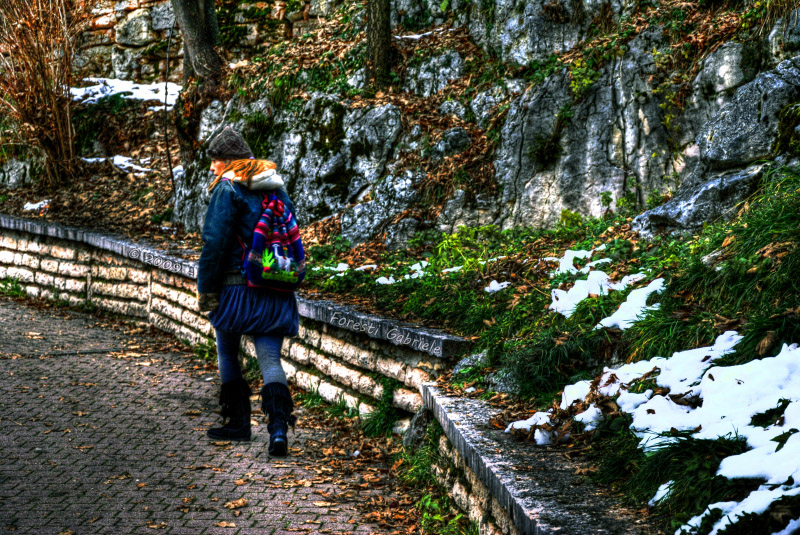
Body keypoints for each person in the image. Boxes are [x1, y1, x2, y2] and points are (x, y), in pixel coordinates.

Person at [196, 126, 299, 457]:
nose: (212, 168)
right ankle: (279, 430)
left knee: (227, 350)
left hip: (236, 289)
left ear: (228, 162)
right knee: (270, 357)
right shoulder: (275, 187)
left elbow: (215, 242)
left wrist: (207, 290)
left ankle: (238, 423)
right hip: (274, 284)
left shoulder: (228, 189)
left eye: (215, 161)